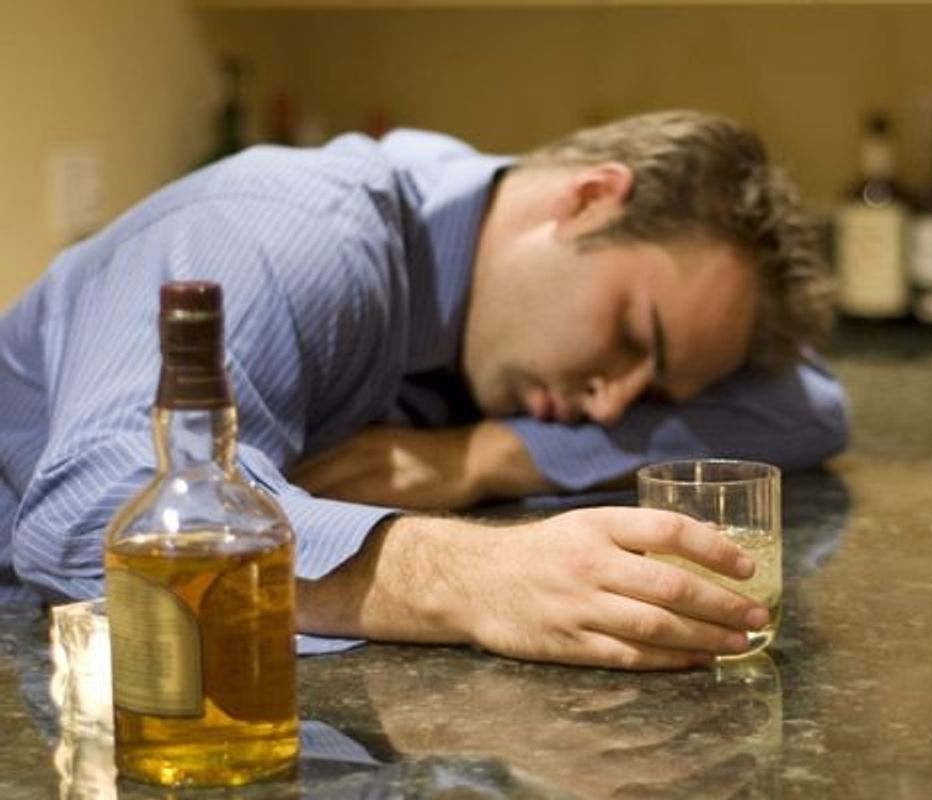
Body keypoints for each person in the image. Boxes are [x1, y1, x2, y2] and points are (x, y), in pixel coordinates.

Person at [0, 110, 847, 670]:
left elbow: (806, 409)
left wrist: (483, 455)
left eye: (656, 384)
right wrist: (472, 577)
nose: (611, 403)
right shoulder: (294, 232)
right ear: (590, 199)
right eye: (633, 336)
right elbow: (95, 508)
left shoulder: (510, 310)